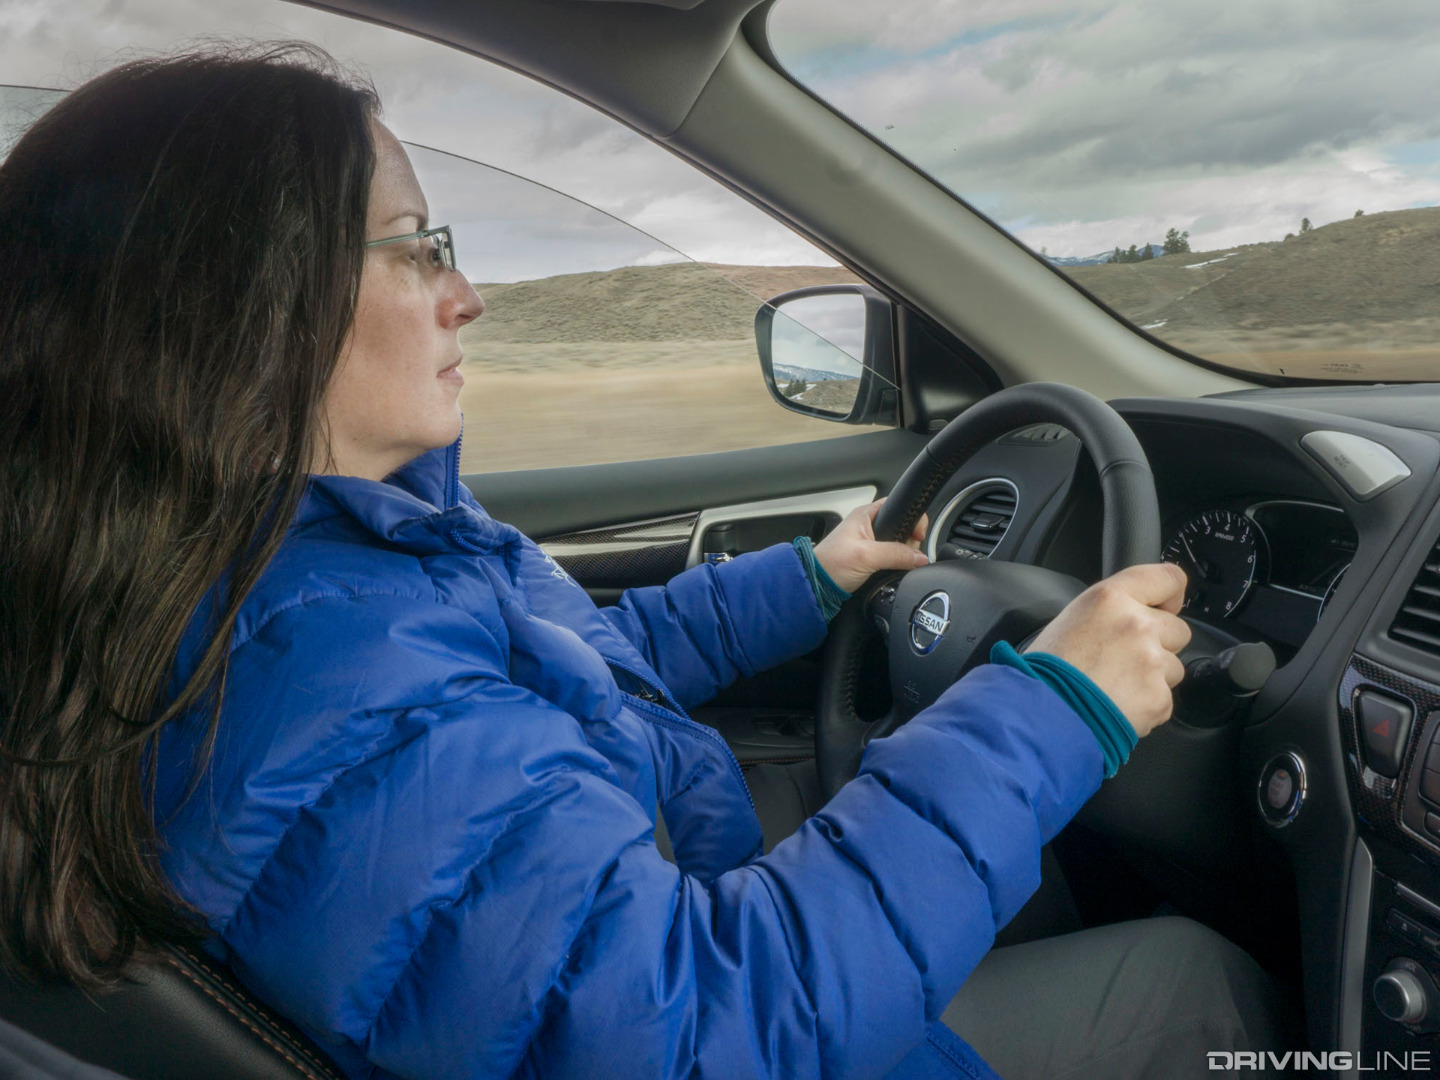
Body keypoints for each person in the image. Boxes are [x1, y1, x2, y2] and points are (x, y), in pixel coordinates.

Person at [0, 45, 1296, 1080]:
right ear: (241, 303)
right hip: (737, 1001)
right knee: (1196, 982)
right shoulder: (323, 697)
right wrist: (1052, 710)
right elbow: (709, 1033)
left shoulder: (344, 563)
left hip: (684, 898)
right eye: (415, 246)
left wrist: (815, 576)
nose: (467, 297)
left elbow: (592, 663)